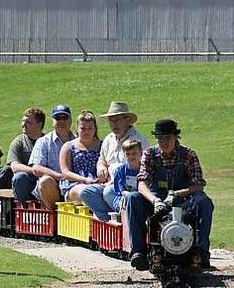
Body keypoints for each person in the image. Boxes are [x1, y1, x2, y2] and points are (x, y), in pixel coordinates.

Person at [125, 119, 214, 271]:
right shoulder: (150, 154)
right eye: (160, 138)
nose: (163, 142)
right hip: (157, 201)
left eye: (167, 138)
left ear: (175, 138)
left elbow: (198, 184)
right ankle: (139, 252)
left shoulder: (188, 155)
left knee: (203, 201)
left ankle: (201, 252)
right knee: (132, 198)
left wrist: (177, 194)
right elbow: (142, 183)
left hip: (183, 201)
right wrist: (155, 201)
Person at [80, 101, 149, 221]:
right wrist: (101, 167)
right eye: (111, 121)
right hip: (109, 184)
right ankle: (112, 219)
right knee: (86, 192)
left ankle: (126, 214)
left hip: (129, 186)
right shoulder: (108, 139)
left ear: (127, 120)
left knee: (108, 192)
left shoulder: (138, 140)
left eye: (117, 120)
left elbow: (145, 166)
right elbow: (102, 159)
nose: (114, 124)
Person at [13, 103, 74, 208]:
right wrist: (59, 177)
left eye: (64, 117)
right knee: (45, 181)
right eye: (57, 118)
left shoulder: (78, 141)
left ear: (70, 120)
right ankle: (54, 215)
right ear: (53, 121)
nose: (61, 121)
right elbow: (36, 168)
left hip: (73, 185)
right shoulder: (43, 142)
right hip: (51, 187)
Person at [0, 107, 45, 189]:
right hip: (27, 180)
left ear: (39, 124)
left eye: (28, 122)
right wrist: (35, 171)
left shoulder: (48, 142)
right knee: (19, 177)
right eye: (23, 121)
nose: (23, 125)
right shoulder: (19, 142)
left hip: (46, 179)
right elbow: (14, 166)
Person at [59, 111, 102, 204]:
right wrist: (84, 180)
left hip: (98, 182)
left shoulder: (102, 145)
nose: (86, 131)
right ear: (77, 129)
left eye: (90, 128)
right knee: (87, 192)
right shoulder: (68, 146)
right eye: (83, 128)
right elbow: (66, 173)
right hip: (74, 184)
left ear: (95, 129)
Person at [109, 139, 142, 212]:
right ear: (124, 154)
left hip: (141, 197)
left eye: (134, 153)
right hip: (125, 197)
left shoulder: (145, 168)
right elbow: (121, 191)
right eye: (128, 154)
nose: (131, 156)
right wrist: (132, 196)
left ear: (140, 153)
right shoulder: (120, 171)